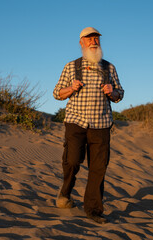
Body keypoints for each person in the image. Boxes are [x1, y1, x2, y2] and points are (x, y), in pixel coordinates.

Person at [53, 27, 124, 224]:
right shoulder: (71, 66)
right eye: (89, 39)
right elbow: (57, 93)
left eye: (96, 38)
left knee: (98, 167)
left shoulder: (109, 68)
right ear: (81, 43)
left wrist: (113, 92)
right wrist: (71, 88)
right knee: (73, 160)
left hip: (101, 123)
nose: (94, 41)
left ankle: (93, 210)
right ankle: (66, 192)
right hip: (76, 121)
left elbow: (120, 95)